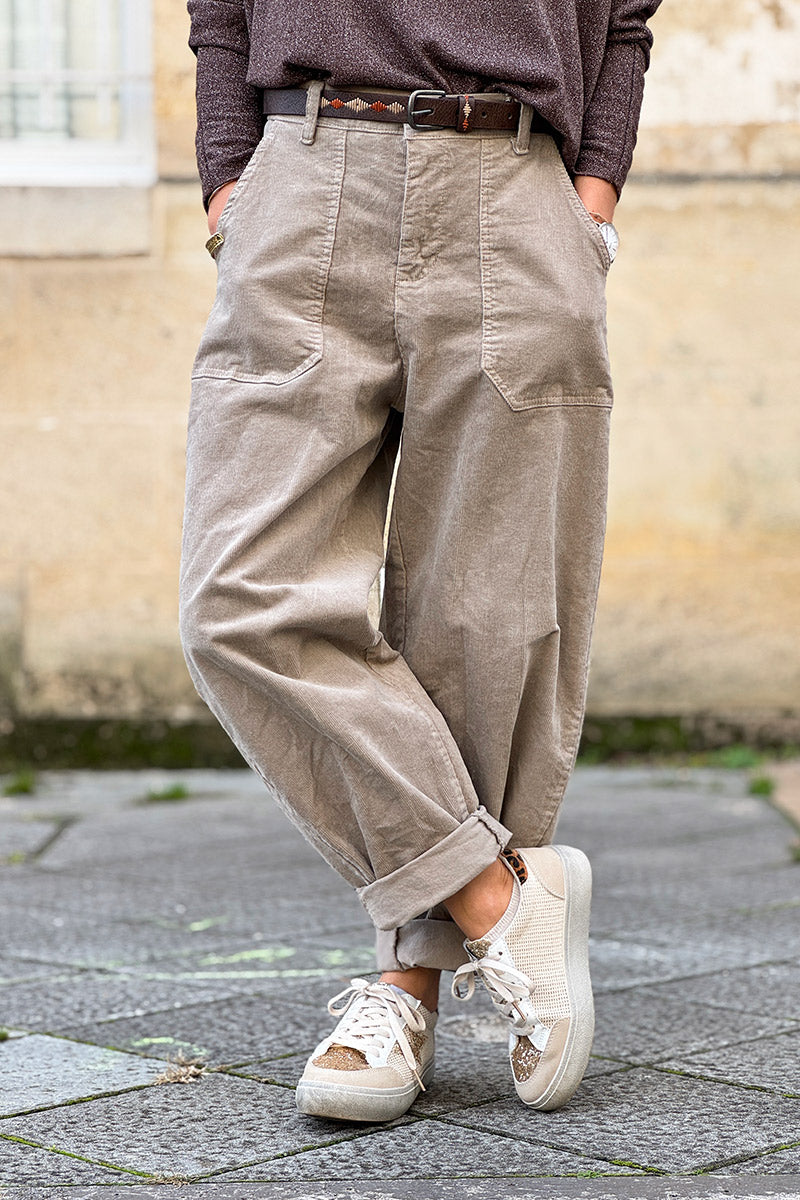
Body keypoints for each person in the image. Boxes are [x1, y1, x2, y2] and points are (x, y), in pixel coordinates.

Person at [182, 0, 661, 1122]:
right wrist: (226, 180)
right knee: (238, 599)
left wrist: (589, 199)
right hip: (306, 169)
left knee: (485, 621)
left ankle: (406, 991)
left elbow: (624, 16)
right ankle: (499, 900)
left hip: (514, 182)